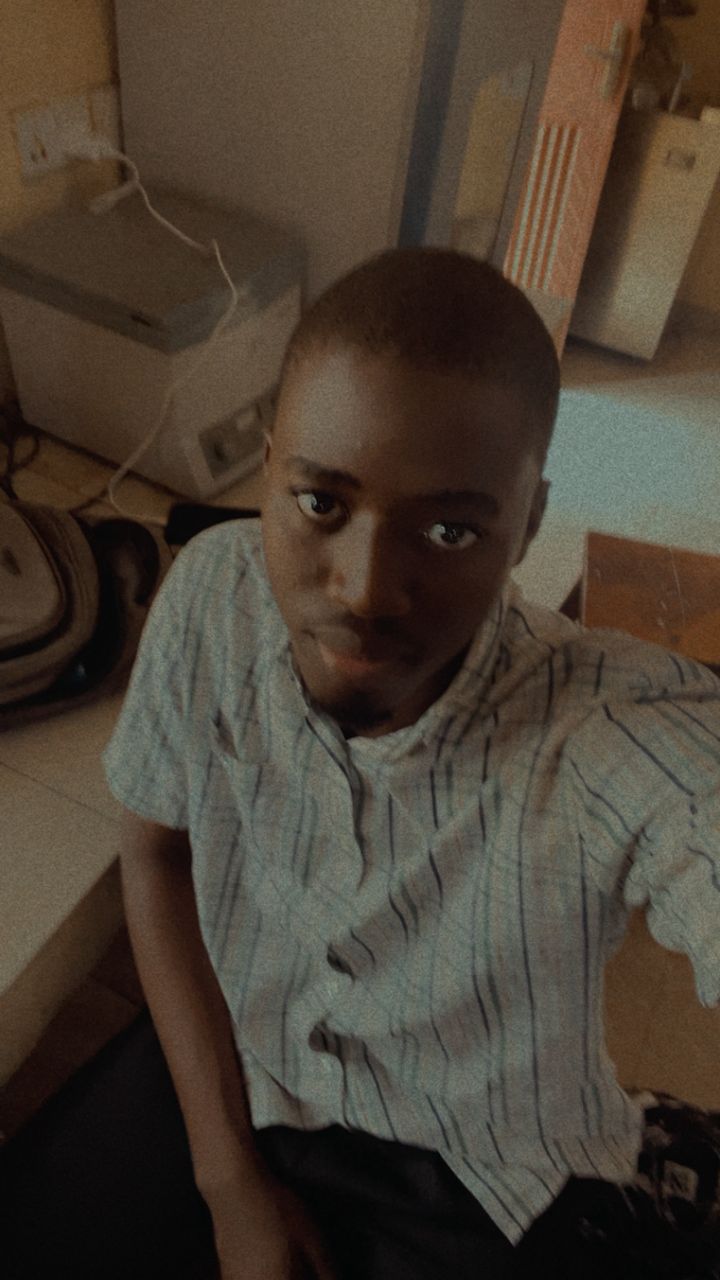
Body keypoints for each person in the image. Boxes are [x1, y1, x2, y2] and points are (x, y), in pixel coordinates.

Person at [2, 248, 719, 1280]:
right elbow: (156, 856)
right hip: (245, 1062)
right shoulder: (210, 597)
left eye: (451, 528)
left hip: (482, 1168)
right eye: (321, 504)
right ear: (269, 472)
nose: (369, 589)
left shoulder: (600, 727)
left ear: (527, 524)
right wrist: (226, 1178)